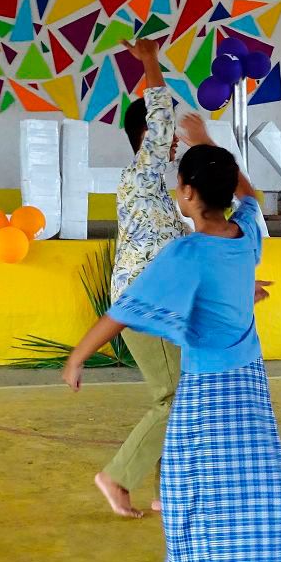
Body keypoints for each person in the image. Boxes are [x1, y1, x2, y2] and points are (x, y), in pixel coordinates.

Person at [61, 116, 281, 562]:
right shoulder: (247, 232)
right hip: (251, 389)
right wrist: (209, 142)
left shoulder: (185, 251)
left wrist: (78, 355)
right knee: (255, 492)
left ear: (186, 193)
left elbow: (123, 309)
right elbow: (250, 195)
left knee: (194, 498)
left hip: (206, 398)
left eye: (180, 189)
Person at [91, 39, 187, 518]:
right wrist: (150, 62)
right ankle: (117, 477)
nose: (173, 140)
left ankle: (162, 491)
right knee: (175, 395)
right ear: (149, 133)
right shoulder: (145, 172)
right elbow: (161, 116)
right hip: (145, 305)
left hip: (151, 304)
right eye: (164, 131)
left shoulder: (149, 185)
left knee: (171, 395)